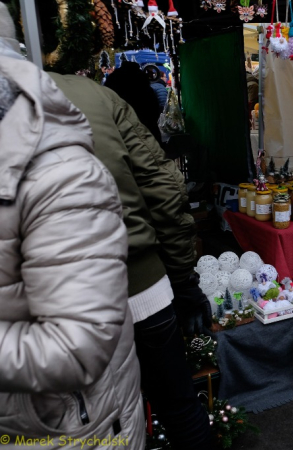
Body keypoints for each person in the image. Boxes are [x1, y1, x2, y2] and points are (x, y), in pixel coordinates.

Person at [50, 66, 218, 450]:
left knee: (84, 422)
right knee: (177, 404)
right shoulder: (93, 94)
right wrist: (182, 281)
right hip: (142, 286)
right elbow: (164, 189)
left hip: (53, 310)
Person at [0, 6, 144, 446]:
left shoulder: (57, 169)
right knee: (174, 392)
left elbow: (74, 345)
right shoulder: (100, 100)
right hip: (135, 270)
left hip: (68, 421)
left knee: (172, 392)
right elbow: (157, 178)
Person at [105, 61, 163, 143]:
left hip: (121, 131)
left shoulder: (113, 79)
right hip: (146, 129)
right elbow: (154, 108)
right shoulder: (142, 82)